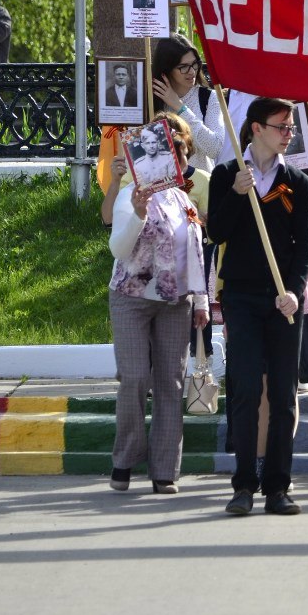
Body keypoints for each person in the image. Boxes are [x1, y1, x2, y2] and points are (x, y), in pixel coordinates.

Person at [208, 97, 308, 515]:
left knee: (285, 394)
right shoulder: (226, 174)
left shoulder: (297, 182)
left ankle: (278, 486)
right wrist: (237, 195)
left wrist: (294, 289)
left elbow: (305, 245)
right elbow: (216, 232)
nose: (289, 134)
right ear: (256, 128)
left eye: (291, 128)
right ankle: (243, 484)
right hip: (241, 295)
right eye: (282, 127)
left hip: (283, 300)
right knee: (247, 388)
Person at [107, 114, 207, 496]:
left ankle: (165, 471)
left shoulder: (185, 199)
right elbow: (118, 249)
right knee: (134, 378)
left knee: (171, 382)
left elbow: (193, 255)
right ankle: (125, 459)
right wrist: (137, 212)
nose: (177, 163)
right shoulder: (133, 193)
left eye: (181, 157)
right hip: (131, 298)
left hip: (174, 301)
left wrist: (199, 299)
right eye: (172, 155)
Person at [150, 34, 222, 170]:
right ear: (167, 69)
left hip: (200, 187)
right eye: (183, 67)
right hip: (162, 187)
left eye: (194, 64)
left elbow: (215, 148)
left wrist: (180, 107)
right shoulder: (151, 100)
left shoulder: (208, 98)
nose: (192, 72)